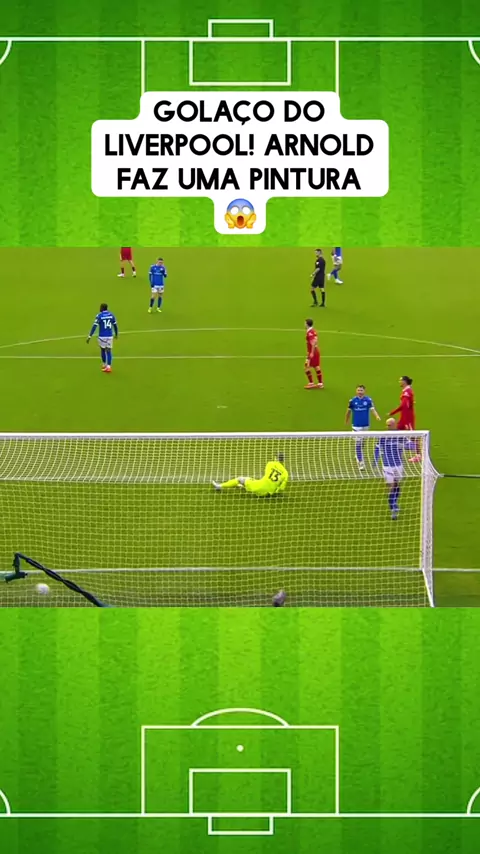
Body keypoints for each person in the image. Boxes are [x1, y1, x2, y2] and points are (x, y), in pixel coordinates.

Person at [374, 418, 415, 519]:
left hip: (398, 465)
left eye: (389, 425)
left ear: (394, 424)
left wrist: (408, 442)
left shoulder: (400, 436)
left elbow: (412, 446)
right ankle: (393, 509)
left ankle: (394, 502)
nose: (388, 427)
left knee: (397, 486)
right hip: (387, 465)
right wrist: (375, 461)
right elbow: (377, 448)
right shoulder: (383, 436)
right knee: (391, 486)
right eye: (387, 425)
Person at [212, 454, 288, 497]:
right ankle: (243, 486)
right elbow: (281, 488)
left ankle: (219, 486)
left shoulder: (270, 464)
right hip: (267, 493)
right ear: (283, 460)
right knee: (252, 480)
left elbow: (267, 474)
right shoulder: (285, 473)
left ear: (276, 458)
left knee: (240, 479)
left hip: (258, 487)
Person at [345, 385, 381, 469]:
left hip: (366, 425)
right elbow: (348, 411)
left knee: (362, 442)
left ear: (364, 391)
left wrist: (377, 416)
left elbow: (372, 409)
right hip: (356, 426)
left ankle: (358, 454)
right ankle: (361, 462)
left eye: (361, 390)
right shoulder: (352, 401)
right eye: (358, 390)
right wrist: (346, 420)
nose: (360, 392)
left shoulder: (368, 400)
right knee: (358, 443)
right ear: (356, 391)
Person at [389, 375, 421, 462]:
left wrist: (392, 412)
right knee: (396, 431)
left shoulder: (407, 392)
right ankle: (394, 450)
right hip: (404, 416)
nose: (399, 382)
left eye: (400, 380)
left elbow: (403, 406)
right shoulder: (406, 391)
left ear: (404, 381)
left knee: (413, 436)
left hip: (407, 417)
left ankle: (418, 455)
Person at [86, 303, 118, 373]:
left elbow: (94, 326)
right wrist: (116, 334)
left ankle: (104, 364)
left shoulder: (99, 316)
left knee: (103, 350)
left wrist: (90, 336)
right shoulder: (111, 315)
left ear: (102, 308)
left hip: (102, 336)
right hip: (109, 335)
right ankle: (109, 367)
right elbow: (115, 325)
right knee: (109, 351)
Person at [304, 319, 323, 389]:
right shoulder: (313, 331)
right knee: (316, 366)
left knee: (306, 367)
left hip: (313, 352)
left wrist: (311, 352)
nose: (304, 324)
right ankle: (320, 383)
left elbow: (313, 342)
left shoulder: (310, 332)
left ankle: (311, 383)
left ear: (307, 324)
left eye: (305, 323)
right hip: (316, 351)